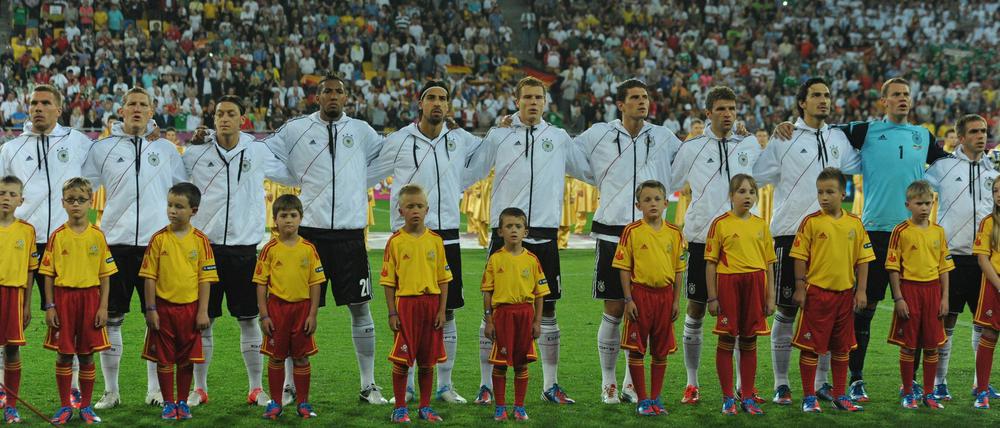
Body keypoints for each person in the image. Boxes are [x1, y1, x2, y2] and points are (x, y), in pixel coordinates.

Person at [774, 77, 948, 401]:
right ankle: (856, 379)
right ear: (884, 101)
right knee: (863, 308)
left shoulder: (922, 136)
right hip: (875, 231)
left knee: (918, 310)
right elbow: (819, 128)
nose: (902, 99)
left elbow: (947, 165)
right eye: (895, 94)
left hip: (912, 234)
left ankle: (912, 386)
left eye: (906, 95)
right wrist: (787, 125)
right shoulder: (864, 131)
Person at [265, 76, 388, 404]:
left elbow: (388, 156)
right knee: (295, 311)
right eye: (327, 91)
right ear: (316, 97)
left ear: (346, 96)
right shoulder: (296, 129)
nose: (333, 96)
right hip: (310, 237)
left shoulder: (362, 131)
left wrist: (361, 178)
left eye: (338, 91)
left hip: (350, 235)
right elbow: (261, 153)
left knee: (361, 309)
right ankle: (290, 385)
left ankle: (368, 384)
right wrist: (293, 175)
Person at [466, 76, 588, 405]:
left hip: (545, 232)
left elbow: (586, 170)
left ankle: (551, 384)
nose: (533, 102)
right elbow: (472, 170)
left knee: (547, 311)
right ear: (516, 101)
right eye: (527, 97)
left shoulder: (559, 138)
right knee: (491, 309)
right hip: (505, 232)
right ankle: (486, 384)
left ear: (545, 102)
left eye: (538, 97)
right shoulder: (499, 135)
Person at [368, 82, 484, 404]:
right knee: (405, 311)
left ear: (449, 106)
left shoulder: (460, 139)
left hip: (445, 234)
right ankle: (405, 387)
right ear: (420, 103)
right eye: (431, 97)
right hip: (406, 237)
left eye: (443, 98)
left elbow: (487, 155)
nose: (437, 103)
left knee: (447, 312)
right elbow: (371, 170)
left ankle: (445, 386)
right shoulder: (400, 139)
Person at [572, 79, 681, 404]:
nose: (641, 102)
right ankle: (608, 383)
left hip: (652, 232)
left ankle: (632, 384)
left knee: (645, 312)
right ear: (620, 103)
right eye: (634, 97)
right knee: (615, 309)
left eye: (645, 97)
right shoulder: (598, 134)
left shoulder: (663, 136)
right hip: (612, 231)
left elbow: (689, 159)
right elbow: (570, 155)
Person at [753, 78, 859, 405]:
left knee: (829, 314)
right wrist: (765, 135)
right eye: (816, 95)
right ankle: (782, 383)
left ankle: (823, 383)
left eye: (827, 95)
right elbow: (756, 174)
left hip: (833, 237)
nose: (823, 100)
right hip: (791, 232)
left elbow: (861, 163)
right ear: (802, 102)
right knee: (786, 311)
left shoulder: (838, 137)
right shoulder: (784, 138)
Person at [182, 96, 291, 407]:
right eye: (219, 113)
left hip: (244, 249)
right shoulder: (195, 152)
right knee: (203, 321)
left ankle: (256, 388)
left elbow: (291, 173)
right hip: (206, 249)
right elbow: (172, 178)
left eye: (231, 113)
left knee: (249, 319)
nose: (224, 118)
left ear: (243, 118)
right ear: (213, 118)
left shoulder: (257, 150)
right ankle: (199, 389)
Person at [83, 87, 186, 408]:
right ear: (122, 110)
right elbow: (83, 188)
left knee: (156, 319)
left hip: (158, 246)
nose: (137, 109)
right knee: (111, 318)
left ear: (152, 110)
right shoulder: (102, 148)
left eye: (143, 104)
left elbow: (182, 191)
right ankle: (111, 391)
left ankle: (154, 389)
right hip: (115, 243)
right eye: (132, 104)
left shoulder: (167, 150)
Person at [0, 85, 94, 406]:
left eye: (45, 103)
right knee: (7, 322)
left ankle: (76, 393)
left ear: (59, 108)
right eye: (34, 103)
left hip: (66, 244)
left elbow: (107, 166)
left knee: (72, 322)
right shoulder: (10, 149)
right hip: (22, 243)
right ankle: (6, 394)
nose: (38, 108)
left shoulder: (79, 143)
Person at [669, 86, 761, 404]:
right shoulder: (692, 147)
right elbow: (669, 180)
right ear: (708, 113)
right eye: (721, 108)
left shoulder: (748, 143)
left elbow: (767, 173)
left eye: (732, 108)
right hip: (701, 238)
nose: (727, 114)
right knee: (695, 309)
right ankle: (692, 383)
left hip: (742, 244)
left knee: (742, 317)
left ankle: (742, 385)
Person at [924, 114, 999, 400]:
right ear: (961, 136)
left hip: (984, 259)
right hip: (951, 257)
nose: (981, 136)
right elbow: (917, 188)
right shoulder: (942, 167)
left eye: (984, 131)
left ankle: (981, 383)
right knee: (948, 320)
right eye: (975, 131)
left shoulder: (993, 172)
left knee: (984, 323)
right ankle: (940, 382)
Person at [790, 167, 873, 413]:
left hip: (845, 295)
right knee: (810, 347)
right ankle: (808, 396)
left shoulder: (855, 223)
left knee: (841, 347)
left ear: (843, 192)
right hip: (817, 294)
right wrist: (800, 287)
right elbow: (799, 256)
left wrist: (861, 291)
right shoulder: (811, 222)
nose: (824, 197)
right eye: (820, 192)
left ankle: (840, 395)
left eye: (830, 192)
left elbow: (863, 259)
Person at [40, 177, 118, 424]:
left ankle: (85, 406)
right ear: (63, 203)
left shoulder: (97, 235)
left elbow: (105, 277)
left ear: (90, 203)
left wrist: (103, 307)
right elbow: (48, 275)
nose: (76, 205)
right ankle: (65, 406)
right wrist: (50, 305)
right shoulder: (57, 236)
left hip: (90, 300)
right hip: (63, 300)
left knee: (86, 354)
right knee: (63, 354)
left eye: (81, 200)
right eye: (71, 200)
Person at [139, 183, 218, 420]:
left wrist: (203, 311)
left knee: (186, 360)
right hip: (163, 309)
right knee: (164, 359)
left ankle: (182, 402)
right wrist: (151, 308)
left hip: (191, 310)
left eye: (179, 207)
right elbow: (149, 277)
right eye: (170, 205)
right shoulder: (158, 239)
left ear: (193, 210)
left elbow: (206, 279)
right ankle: (168, 403)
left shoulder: (201, 241)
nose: (173, 211)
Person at [705, 174, 776, 415]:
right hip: (729, 284)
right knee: (726, 339)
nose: (747, 196)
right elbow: (711, 263)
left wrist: (770, 296)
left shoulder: (761, 225)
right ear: (731, 196)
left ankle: (747, 396)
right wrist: (712, 297)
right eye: (741, 191)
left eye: (751, 192)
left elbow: (769, 264)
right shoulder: (720, 224)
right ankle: (727, 398)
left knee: (749, 340)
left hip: (755, 284)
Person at [613, 180, 685, 416]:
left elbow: (678, 270)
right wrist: (628, 299)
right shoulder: (631, 231)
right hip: (640, 296)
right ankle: (642, 399)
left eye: (656, 199)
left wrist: (676, 301)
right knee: (636, 348)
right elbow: (624, 267)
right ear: (638, 205)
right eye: (647, 199)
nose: (652, 203)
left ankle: (656, 397)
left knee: (661, 351)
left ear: (666, 203)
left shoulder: (674, 233)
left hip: (665, 297)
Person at [380, 184, 451, 423]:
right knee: (402, 359)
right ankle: (400, 407)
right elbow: (388, 281)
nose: (415, 211)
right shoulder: (395, 242)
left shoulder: (436, 241)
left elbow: (443, 279)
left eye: (419, 206)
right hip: (406, 306)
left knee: (427, 361)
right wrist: (392, 312)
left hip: (431, 306)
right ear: (400, 211)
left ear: (427, 209)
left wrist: (442, 310)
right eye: (410, 206)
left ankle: (425, 407)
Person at [255, 194, 325, 420]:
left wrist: (312, 314)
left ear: (300, 218)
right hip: (277, 309)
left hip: (302, 310)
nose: (288, 220)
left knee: (302, 357)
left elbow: (316, 283)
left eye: (293, 215)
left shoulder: (308, 248)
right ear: (274, 219)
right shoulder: (269, 249)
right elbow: (260, 283)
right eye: (283, 216)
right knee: (276, 357)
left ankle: (303, 403)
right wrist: (264, 315)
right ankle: (275, 403)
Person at [885, 180, 953, 409]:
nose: (925, 208)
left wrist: (944, 298)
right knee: (909, 346)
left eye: (928, 203)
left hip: (933, 291)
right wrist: (898, 298)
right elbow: (893, 267)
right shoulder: (900, 231)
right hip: (910, 291)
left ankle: (928, 393)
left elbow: (944, 268)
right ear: (908, 205)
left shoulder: (938, 231)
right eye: (919, 203)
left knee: (932, 345)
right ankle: (907, 392)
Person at [482, 207, 549, 421]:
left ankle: (519, 407)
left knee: (521, 363)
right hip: (502, 316)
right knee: (500, 364)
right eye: (508, 226)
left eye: (518, 226)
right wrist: (489, 320)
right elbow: (487, 292)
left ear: (525, 232)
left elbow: (540, 294)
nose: (513, 230)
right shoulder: (495, 259)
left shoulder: (532, 260)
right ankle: (500, 407)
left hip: (524, 315)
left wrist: (537, 321)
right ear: (500, 231)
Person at [0, 176, 38, 424]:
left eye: (12, 194)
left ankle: (11, 405)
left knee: (12, 349)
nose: (6, 198)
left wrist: (26, 305)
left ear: (21, 200)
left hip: (14, 295)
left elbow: (30, 270)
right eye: (2, 193)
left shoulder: (27, 230)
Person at [972, 178, 1000, 409]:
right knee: (989, 336)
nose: (998, 194)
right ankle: (982, 391)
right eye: (995, 190)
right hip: (994, 285)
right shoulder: (988, 223)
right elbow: (982, 259)